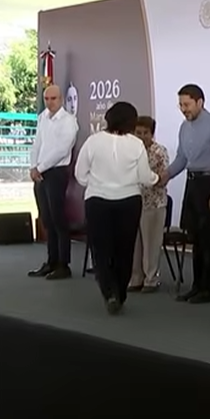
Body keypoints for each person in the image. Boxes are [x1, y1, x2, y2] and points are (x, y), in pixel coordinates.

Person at [74, 102, 166, 314]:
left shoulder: (93, 141)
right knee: (125, 249)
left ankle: (109, 292)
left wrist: (97, 184)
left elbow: (80, 174)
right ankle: (121, 292)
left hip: (97, 201)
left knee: (101, 249)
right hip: (128, 201)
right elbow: (145, 177)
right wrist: (157, 178)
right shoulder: (136, 145)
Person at [167, 84, 210, 304]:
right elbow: (181, 159)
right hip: (192, 183)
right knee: (195, 237)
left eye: (187, 104)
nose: (184, 109)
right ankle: (197, 285)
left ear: (200, 102)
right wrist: (164, 176)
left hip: (209, 182)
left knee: (208, 237)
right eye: (181, 105)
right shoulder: (184, 127)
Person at [28, 84, 79, 280]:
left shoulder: (68, 121)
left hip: (56, 172)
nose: (50, 102)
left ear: (61, 99)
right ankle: (51, 261)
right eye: (47, 99)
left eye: (53, 99)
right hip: (40, 173)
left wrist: (40, 168)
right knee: (47, 219)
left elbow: (62, 150)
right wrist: (33, 166)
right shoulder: (43, 117)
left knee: (58, 219)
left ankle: (63, 264)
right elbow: (37, 144)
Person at [129, 116, 169, 292]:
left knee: (151, 244)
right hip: (133, 201)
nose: (142, 136)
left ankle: (151, 279)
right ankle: (135, 278)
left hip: (153, 203)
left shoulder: (159, 152)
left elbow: (163, 177)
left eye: (145, 133)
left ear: (152, 134)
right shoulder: (130, 150)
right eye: (138, 133)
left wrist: (149, 179)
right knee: (134, 244)